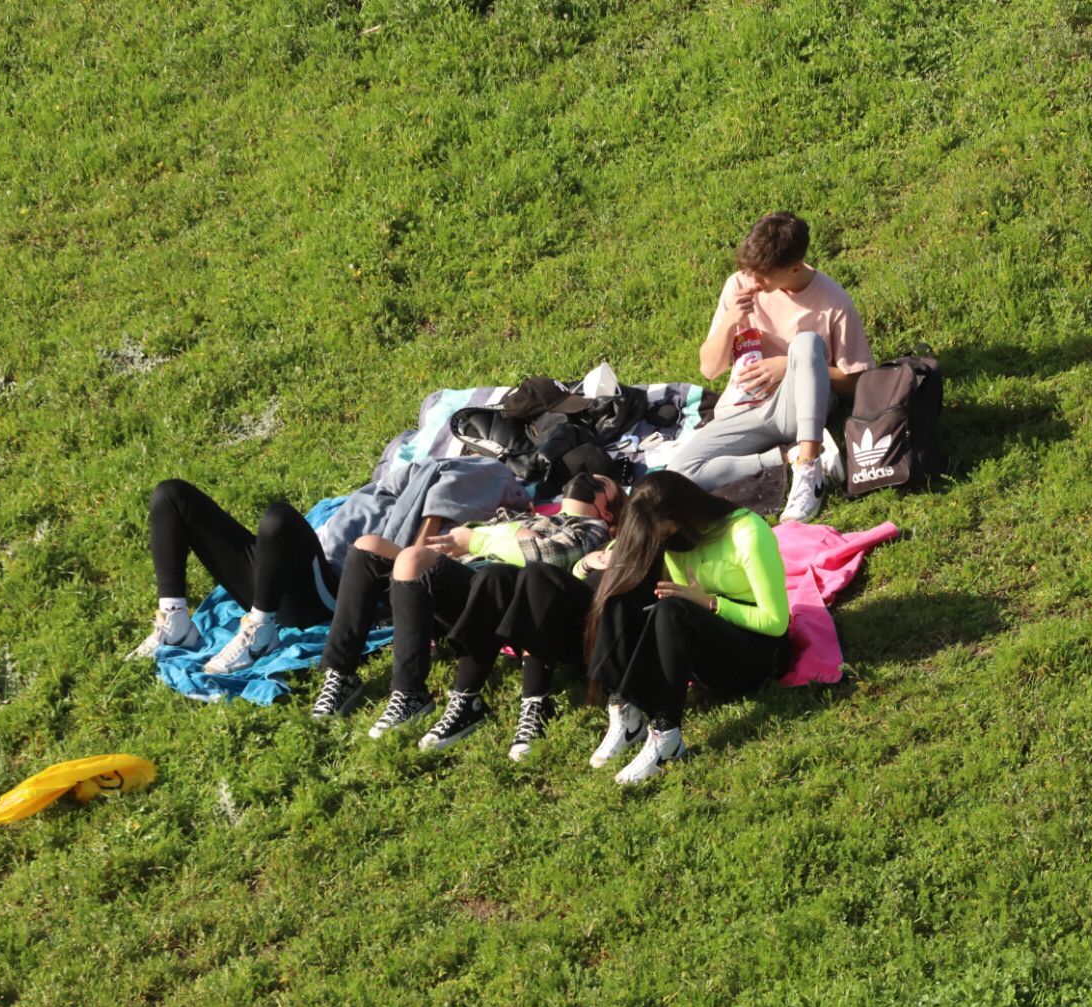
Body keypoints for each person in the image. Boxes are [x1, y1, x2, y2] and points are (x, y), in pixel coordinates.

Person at [311, 472, 623, 742]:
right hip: (462, 573)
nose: (589, 479)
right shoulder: (530, 515)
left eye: (600, 482)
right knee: (369, 546)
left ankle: (410, 693)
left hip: (499, 592)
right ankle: (340, 673)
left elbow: (546, 557)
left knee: (412, 559)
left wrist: (478, 539)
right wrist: (513, 532)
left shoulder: (590, 528)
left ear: (608, 512)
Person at [584, 471, 790, 784]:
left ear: (684, 515)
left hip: (759, 654)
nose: (662, 542)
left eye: (663, 533)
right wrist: (585, 564)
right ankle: (626, 710)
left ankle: (667, 735)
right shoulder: (675, 540)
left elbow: (776, 624)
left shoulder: (747, 531)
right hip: (706, 646)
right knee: (619, 597)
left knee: (673, 608)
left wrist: (711, 603)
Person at [668, 211, 874, 523]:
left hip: (794, 409)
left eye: (763, 276)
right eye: (749, 271)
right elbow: (709, 369)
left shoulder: (832, 302)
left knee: (806, 344)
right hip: (742, 409)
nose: (752, 281)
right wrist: (728, 323)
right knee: (679, 473)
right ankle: (785, 457)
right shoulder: (738, 286)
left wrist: (789, 365)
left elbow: (856, 380)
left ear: (793, 268)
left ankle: (809, 466)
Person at [421, 543, 613, 762]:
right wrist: (586, 564)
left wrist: (631, 567)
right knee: (496, 574)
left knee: (538, 573)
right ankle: (466, 701)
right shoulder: (612, 541)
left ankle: (536, 704)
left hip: (608, 630)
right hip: (573, 621)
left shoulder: (653, 545)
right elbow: (573, 580)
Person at [128, 479, 341, 674]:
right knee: (170, 494)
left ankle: (261, 633)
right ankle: (176, 625)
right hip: (276, 565)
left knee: (279, 518)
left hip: (316, 591)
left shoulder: (375, 515)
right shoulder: (371, 486)